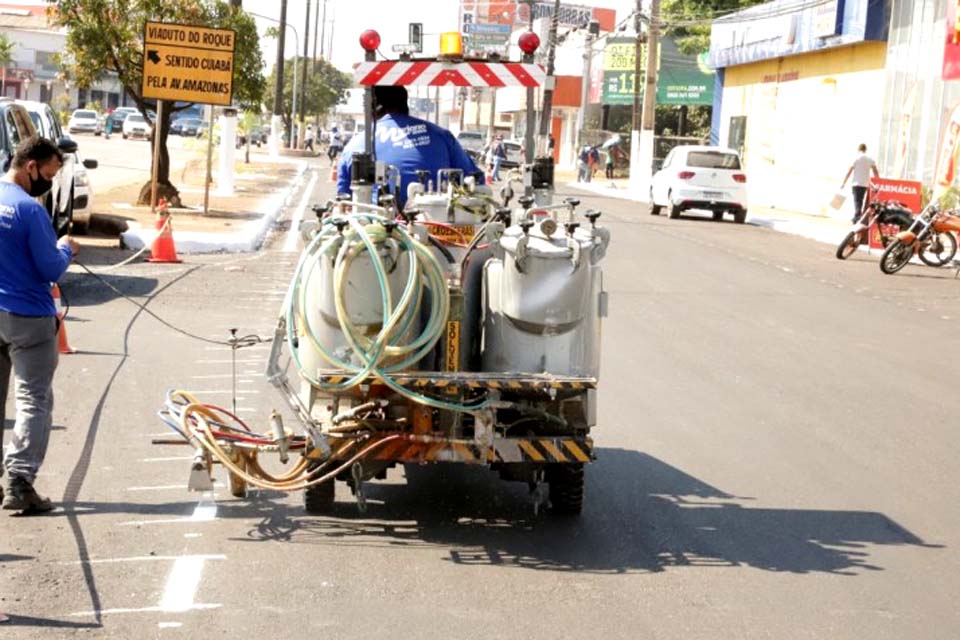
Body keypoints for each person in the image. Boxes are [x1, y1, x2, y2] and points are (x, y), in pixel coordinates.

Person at [0, 135, 78, 514]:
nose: (48, 183)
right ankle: (19, 480)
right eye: (48, 174)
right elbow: (50, 268)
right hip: (28, 317)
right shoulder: (30, 212)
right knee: (34, 399)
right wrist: (66, 248)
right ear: (30, 166)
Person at [336, 85, 483, 209]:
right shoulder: (442, 136)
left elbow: (344, 200)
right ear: (405, 104)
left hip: (375, 229)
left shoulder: (355, 144)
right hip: (436, 225)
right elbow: (475, 181)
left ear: (374, 107)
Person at [841, 143, 879, 221]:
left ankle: (857, 217)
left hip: (856, 183)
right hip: (865, 184)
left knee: (857, 200)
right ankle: (858, 216)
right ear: (865, 150)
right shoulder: (870, 159)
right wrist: (878, 181)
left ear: (858, 149)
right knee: (860, 200)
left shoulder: (856, 158)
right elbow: (875, 170)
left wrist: (844, 182)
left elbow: (849, 171)